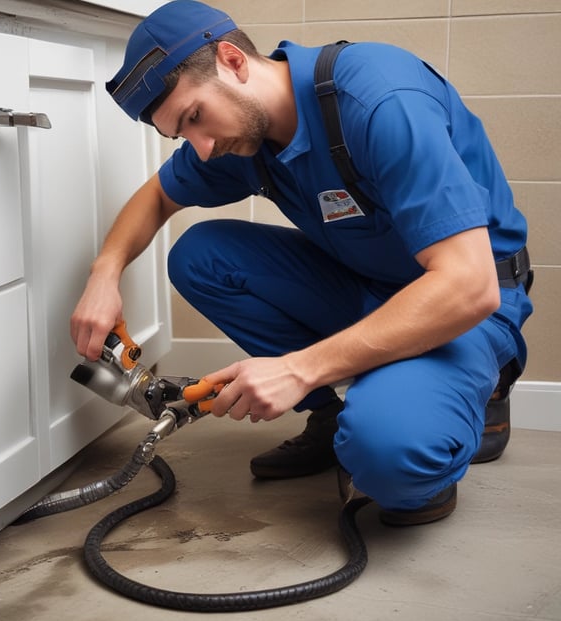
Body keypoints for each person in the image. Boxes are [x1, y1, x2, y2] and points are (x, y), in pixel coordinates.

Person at [70, 0, 533, 526]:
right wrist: (104, 275)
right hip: (368, 287)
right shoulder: (246, 137)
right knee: (201, 255)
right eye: (182, 134)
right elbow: (155, 196)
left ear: (233, 60)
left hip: (463, 305)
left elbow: (469, 286)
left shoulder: (379, 99)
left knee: (389, 459)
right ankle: (334, 418)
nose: (200, 148)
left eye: (196, 117)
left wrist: (297, 368)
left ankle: (473, 389)